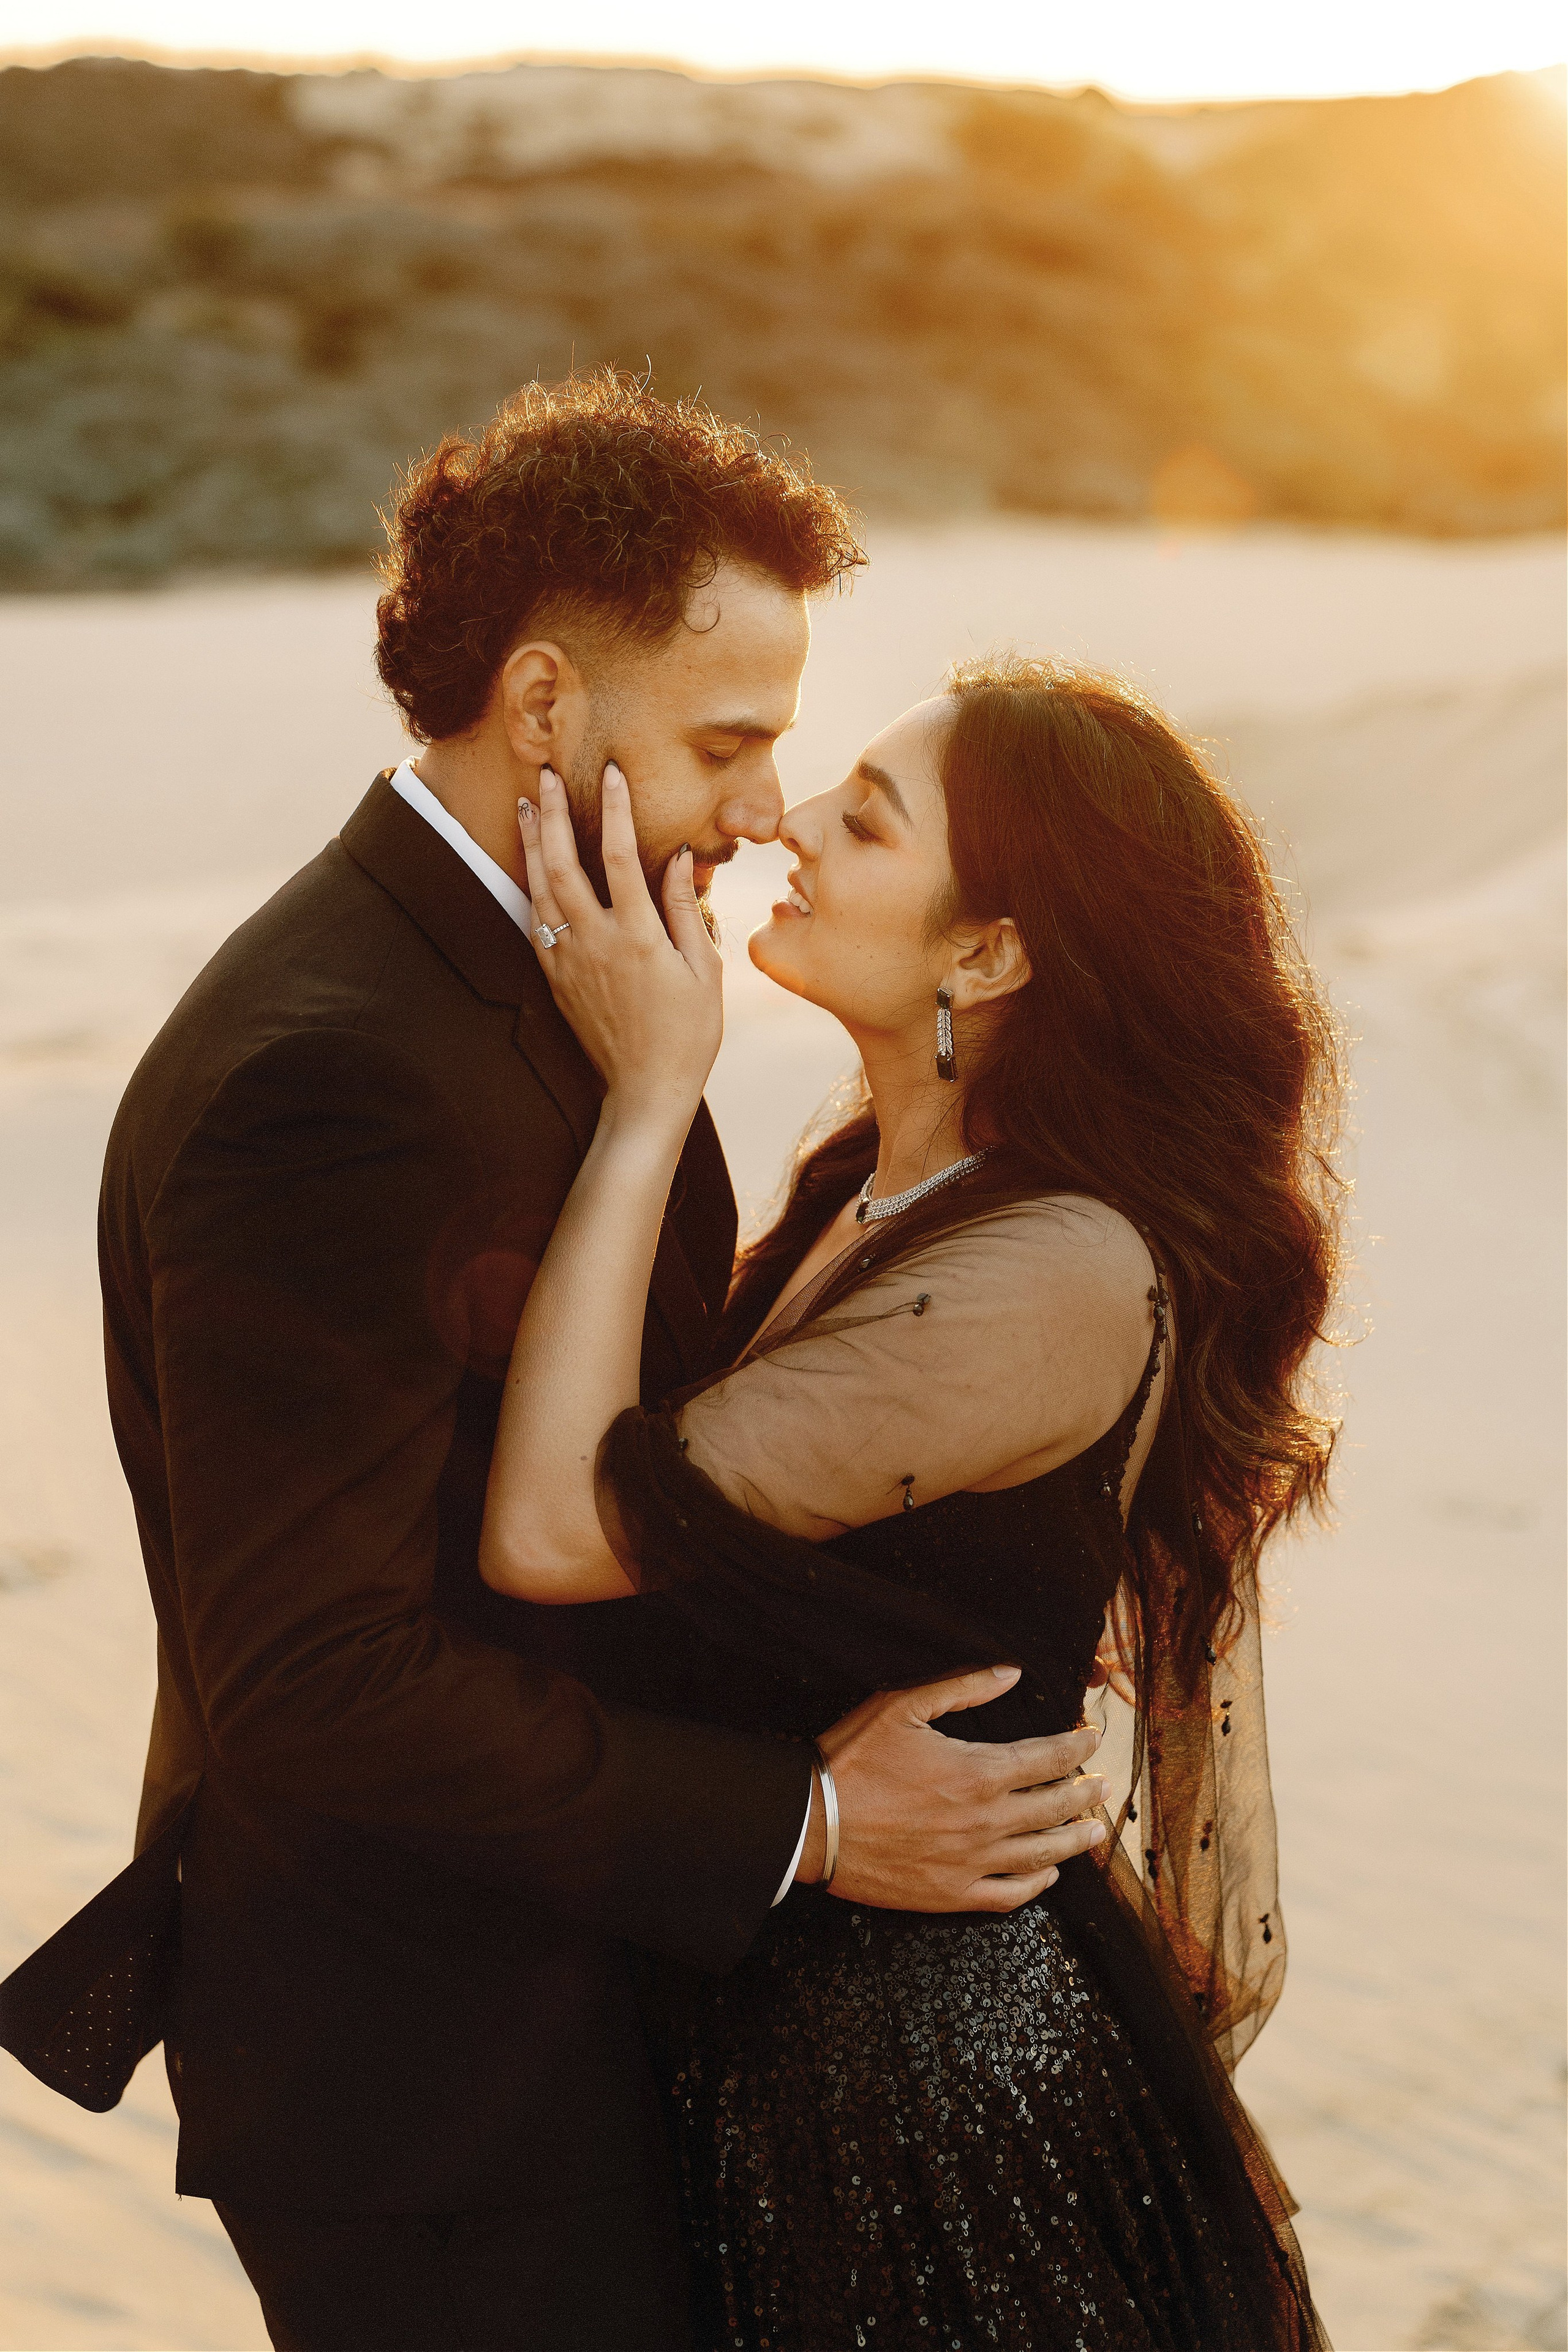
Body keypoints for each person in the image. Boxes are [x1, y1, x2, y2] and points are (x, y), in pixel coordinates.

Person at [0, 378, 1108, 2352]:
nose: (767, 808)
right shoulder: (331, 1070)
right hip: (427, 2079)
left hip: (579, 2010)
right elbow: (317, 1682)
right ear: (539, 708)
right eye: (728, 744)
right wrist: (816, 1823)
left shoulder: (582, 968)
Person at [478, 655, 1342, 2350]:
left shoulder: (1052, 1269)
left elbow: (556, 1537)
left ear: (992, 951)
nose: (791, 823)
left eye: (863, 823)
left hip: (936, 2094)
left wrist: (650, 1093)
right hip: (821, 2037)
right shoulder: (882, 1196)